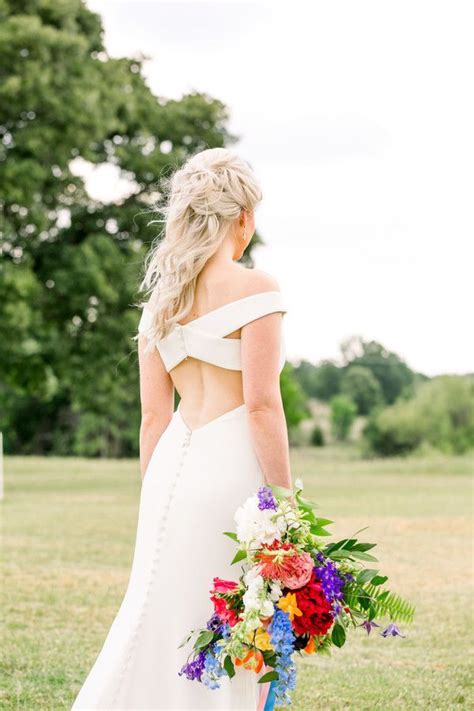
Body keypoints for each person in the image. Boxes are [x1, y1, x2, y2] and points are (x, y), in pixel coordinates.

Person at [71, 148, 293, 710]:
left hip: (171, 466)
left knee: (157, 610)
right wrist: (287, 505)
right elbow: (262, 405)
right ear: (241, 217)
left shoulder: (160, 303)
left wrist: (157, 493)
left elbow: (153, 417)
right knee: (230, 617)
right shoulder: (257, 287)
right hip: (230, 474)